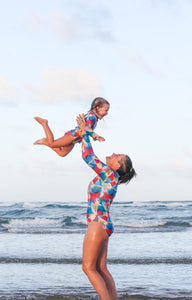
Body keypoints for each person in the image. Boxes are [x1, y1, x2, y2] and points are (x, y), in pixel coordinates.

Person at [76, 114, 136, 300]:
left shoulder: (109, 174)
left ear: (117, 165)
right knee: (100, 268)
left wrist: (85, 132)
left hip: (97, 224)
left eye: (118, 156)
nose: (114, 153)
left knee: (88, 268)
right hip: (104, 224)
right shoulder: (112, 177)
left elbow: (88, 156)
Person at [33, 97, 109, 157]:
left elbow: (87, 130)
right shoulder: (92, 117)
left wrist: (93, 136)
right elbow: (86, 128)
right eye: (105, 110)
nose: (107, 113)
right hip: (72, 136)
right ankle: (45, 123)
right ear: (98, 108)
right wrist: (96, 136)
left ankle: (44, 141)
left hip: (75, 140)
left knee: (62, 153)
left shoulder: (94, 117)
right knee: (52, 143)